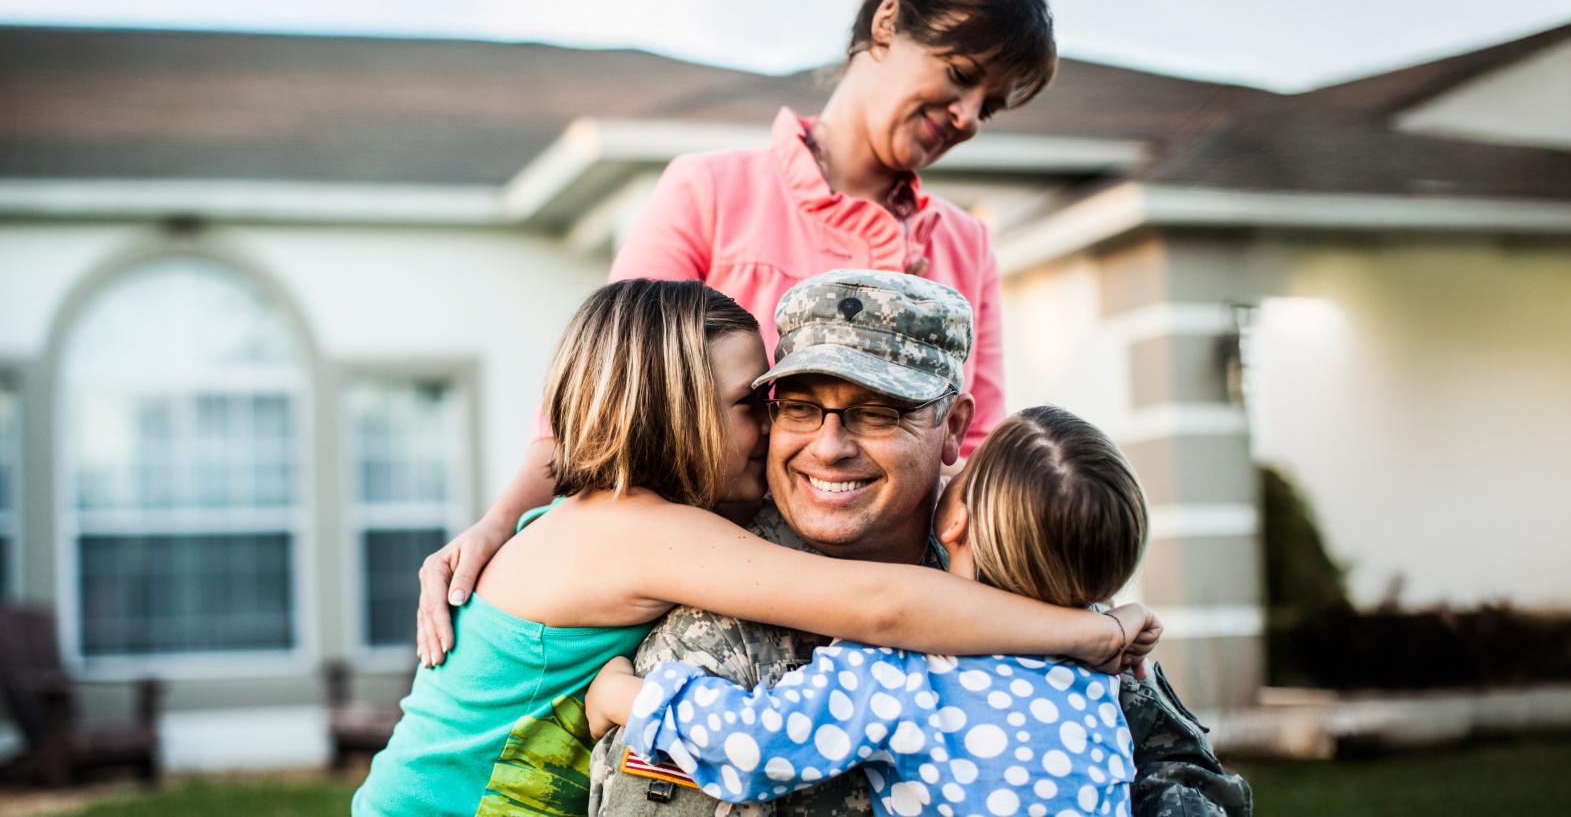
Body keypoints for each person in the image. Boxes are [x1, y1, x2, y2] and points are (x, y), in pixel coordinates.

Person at [415, 0, 1060, 663]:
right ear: (887, 24)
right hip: (716, 606)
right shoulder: (711, 193)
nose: (970, 116)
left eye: (992, 105)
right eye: (962, 74)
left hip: (903, 606)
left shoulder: (965, 245)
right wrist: (501, 525)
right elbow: (603, 398)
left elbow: (979, 456)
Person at [352, 278, 1157, 816]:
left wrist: (496, 518)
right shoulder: (644, 533)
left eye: (876, 414)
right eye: (761, 405)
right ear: (672, 414)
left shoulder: (606, 511)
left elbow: (569, 446)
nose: (783, 435)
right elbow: (881, 606)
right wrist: (1088, 633)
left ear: (953, 426)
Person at [587, 269, 1253, 817]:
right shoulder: (716, 622)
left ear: (955, 426)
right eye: (798, 407)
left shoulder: (1013, 568)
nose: (830, 446)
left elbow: (1186, 777)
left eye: (878, 412)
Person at [585, 406, 1151, 817]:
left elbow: (757, 744)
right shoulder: (1101, 674)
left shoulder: (902, 669)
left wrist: (628, 696)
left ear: (957, 520)